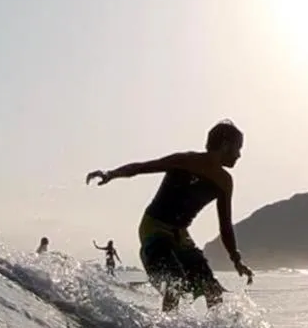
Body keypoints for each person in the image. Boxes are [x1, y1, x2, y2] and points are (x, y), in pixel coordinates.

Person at [85, 120, 254, 311]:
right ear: (225, 145)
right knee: (175, 283)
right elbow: (142, 167)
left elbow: (225, 225)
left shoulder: (225, 182)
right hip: (154, 226)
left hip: (181, 235)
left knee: (212, 290)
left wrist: (236, 259)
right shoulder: (185, 160)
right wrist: (111, 174)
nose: (239, 155)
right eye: (237, 148)